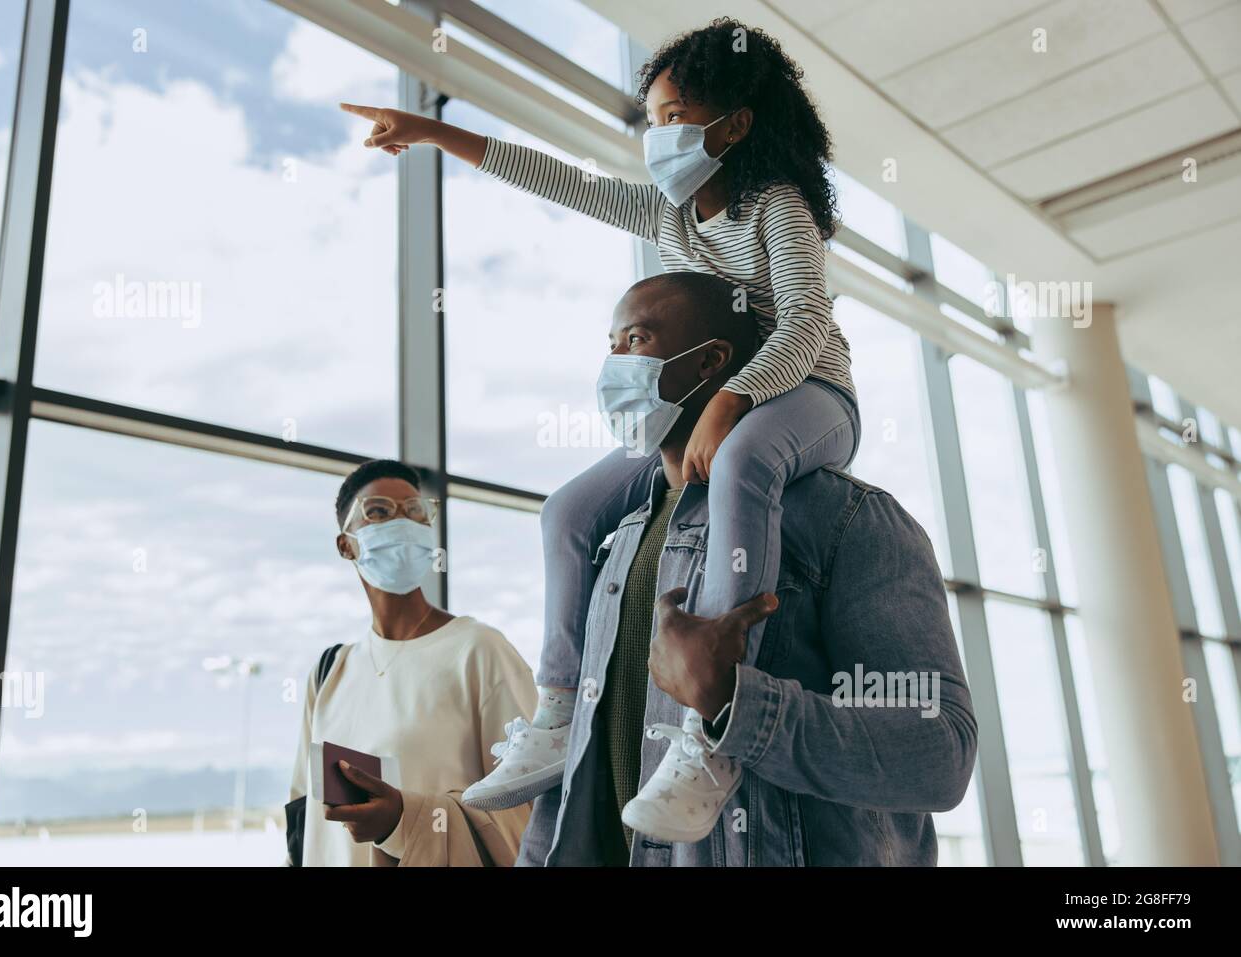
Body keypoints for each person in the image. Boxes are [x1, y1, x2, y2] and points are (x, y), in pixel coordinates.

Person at [339, 18, 859, 840]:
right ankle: (553, 713)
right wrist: (434, 131)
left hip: (812, 396)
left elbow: (801, 324)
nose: (659, 134)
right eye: (651, 118)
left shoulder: (777, 209)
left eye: (675, 115)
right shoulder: (671, 216)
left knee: (744, 462)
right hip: (721, 406)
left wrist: (729, 402)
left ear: (734, 124)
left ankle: (711, 731)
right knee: (570, 510)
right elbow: (557, 180)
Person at [514, 271, 976, 864]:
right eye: (610, 345)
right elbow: (582, 770)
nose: (612, 367)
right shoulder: (614, 537)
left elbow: (940, 756)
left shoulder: (848, 522)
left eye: (636, 340)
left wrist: (735, 702)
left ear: (711, 361)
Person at [285, 459, 536, 866]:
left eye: (415, 511)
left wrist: (405, 820)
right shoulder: (331, 670)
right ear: (345, 545)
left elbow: (529, 809)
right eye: (380, 512)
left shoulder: (478, 651)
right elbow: (302, 820)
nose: (403, 523)